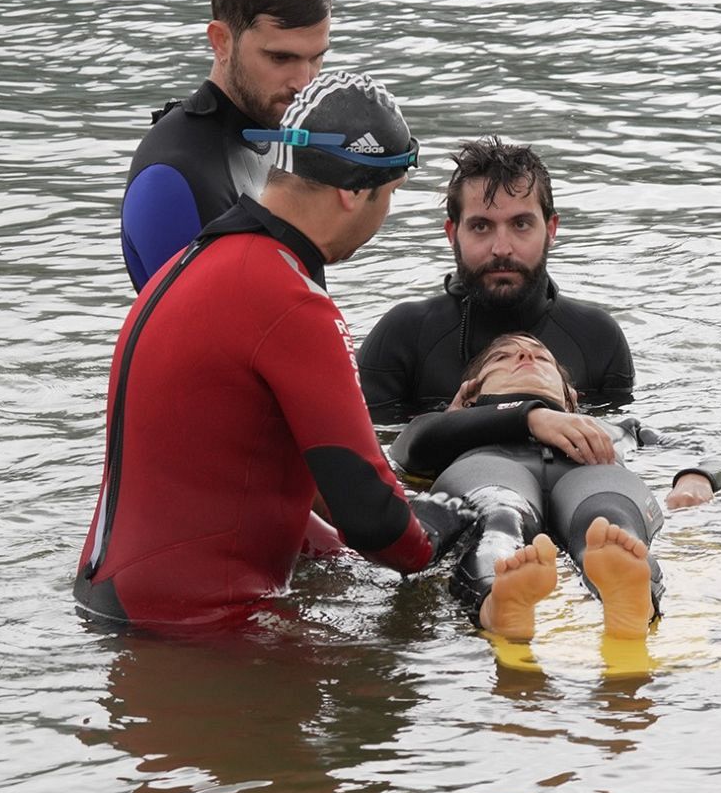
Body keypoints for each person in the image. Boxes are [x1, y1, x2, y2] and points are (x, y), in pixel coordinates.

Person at [75, 71, 473, 628]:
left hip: (112, 601)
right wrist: (446, 541)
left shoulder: (198, 262)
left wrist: (348, 548)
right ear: (354, 191)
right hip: (194, 627)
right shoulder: (291, 303)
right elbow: (372, 517)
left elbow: (244, 478)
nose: (383, 218)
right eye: (389, 196)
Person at [389, 333, 721, 639]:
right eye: (503, 357)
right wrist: (525, 415)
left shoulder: (618, 429)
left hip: (592, 477)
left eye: (541, 357)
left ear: (570, 397)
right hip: (491, 472)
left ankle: (632, 599)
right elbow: (408, 447)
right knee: (501, 518)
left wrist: (696, 476)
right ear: (468, 395)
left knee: (610, 526)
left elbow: (709, 452)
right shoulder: (450, 428)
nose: (525, 357)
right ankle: (497, 601)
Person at [357, 137, 634, 419]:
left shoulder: (597, 339)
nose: (501, 248)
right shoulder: (404, 337)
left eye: (521, 224)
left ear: (551, 229)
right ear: (452, 234)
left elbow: (623, 444)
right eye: (480, 226)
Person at [119, 0, 333, 292]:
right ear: (221, 41)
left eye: (317, 58)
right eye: (281, 57)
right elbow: (204, 337)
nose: (305, 82)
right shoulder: (171, 179)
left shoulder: (282, 139)